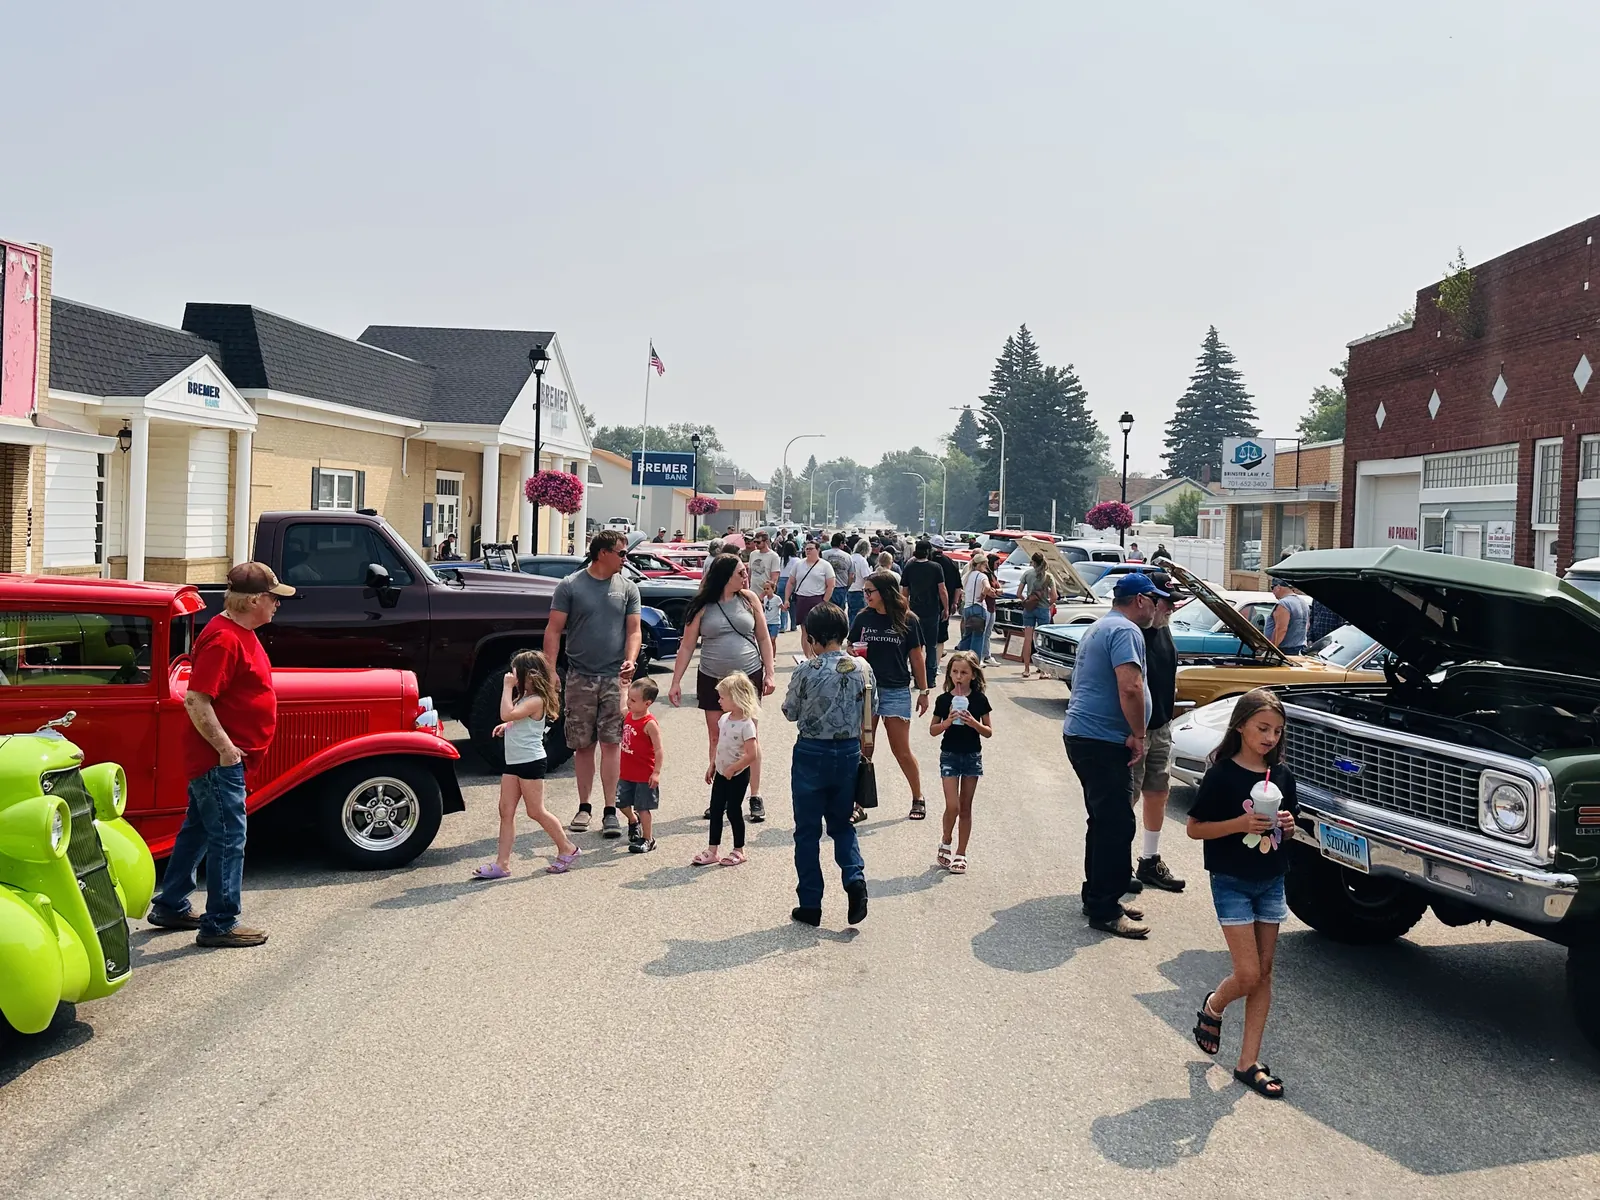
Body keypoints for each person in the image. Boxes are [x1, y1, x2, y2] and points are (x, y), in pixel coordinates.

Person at [147, 562, 293, 948]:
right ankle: (221, 922)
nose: (278, 604)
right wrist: (226, 750)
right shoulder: (225, 639)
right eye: (274, 598)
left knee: (197, 830)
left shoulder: (239, 631)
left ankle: (171, 904)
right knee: (230, 837)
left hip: (220, 760)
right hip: (219, 761)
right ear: (255, 600)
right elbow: (196, 698)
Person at [1186, 690, 1299, 1100]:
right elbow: (1195, 828)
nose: (1270, 737)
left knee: (1264, 973)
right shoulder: (1222, 775)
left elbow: (1290, 827)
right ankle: (1214, 1007)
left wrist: (1286, 825)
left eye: (1277, 731)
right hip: (1232, 881)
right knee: (1248, 973)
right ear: (1240, 726)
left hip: (1272, 878)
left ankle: (1248, 1061)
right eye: (1262, 728)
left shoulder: (1281, 775)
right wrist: (1239, 823)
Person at [1063, 571, 1166, 939]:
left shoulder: (1101, 626)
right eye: (1154, 600)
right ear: (1140, 600)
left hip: (1086, 735)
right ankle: (1105, 907)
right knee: (1115, 824)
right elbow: (1131, 687)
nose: (1157, 607)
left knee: (1104, 820)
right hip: (1102, 739)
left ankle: (1098, 896)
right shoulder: (1125, 631)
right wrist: (1138, 734)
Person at [544, 529, 642, 839]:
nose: (625, 559)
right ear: (602, 553)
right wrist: (550, 671)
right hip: (580, 677)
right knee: (582, 745)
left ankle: (610, 810)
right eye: (621, 553)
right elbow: (553, 630)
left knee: (612, 743)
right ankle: (584, 806)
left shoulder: (627, 588)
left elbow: (634, 631)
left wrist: (631, 658)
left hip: (614, 678)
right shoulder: (570, 586)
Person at [782, 603, 872, 928]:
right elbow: (869, 711)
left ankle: (810, 903)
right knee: (842, 825)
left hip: (811, 752)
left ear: (812, 637)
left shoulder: (807, 669)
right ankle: (854, 878)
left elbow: (790, 711)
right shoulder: (863, 668)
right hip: (848, 752)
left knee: (807, 832)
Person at [668, 553, 776, 822]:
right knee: (718, 737)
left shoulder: (749, 599)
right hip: (713, 679)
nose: (746, 576)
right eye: (740, 572)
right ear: (725, 575)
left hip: (746, 677)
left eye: (745, 571)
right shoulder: (703, 606)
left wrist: (770, 673)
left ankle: (754, 795)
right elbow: (687, 646)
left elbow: (763, 637)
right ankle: (722, 796)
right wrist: (676, 681)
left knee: (749, 737)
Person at [473, 651, 580, 878]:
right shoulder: (523, 698)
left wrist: (506, 688)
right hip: (513, 762)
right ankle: (502, 864)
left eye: (515, 673)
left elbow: (506, 714)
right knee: (506, 811)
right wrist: (508, 727)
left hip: (531, 762)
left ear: (528, 676)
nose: (511, 676)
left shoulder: (535, 700)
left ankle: (567, 847)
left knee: (535, 811)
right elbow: (515, 720)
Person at [848, 571, 931, 823]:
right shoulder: (863, 618)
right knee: (864, 748)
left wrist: (924, 691)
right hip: (867, 688)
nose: (865, 595)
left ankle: (918, 797)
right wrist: (851, 651)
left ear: (884, 593)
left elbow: (917, 657)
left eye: (869, 591)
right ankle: (858, 804)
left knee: (900, 749)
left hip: (895, 690)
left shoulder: (908, 620)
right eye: (864, 591)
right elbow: (850, 646)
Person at [1133, 572, 1186, 894]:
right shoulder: (1132, 633)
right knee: (1126, 798)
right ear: (1149, 601)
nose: (1171, 608)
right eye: (1167, 602)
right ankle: (1116, 862)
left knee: (1158, 792)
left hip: (1161, 727)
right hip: (1134, 732)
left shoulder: (1165, 632)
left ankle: (1149, 860)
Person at [929, 650, 993, 875]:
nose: (959, 676)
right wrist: (947, 721)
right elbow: (933, 730)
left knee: (965, 807)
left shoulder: (979, 700)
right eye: (955, 672)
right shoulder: (944, 699)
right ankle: (946, 839)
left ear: (973, 675)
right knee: (952, 805)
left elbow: (988, 732)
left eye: (964, 672)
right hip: (949, 755)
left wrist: (973, 722)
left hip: (972, 756)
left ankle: (961, 853)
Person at [694, 673, 761, 867]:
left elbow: (752, 754)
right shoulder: (724, 719)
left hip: (738, 775)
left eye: (723, 697)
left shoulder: (747, 725)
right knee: (716, 810)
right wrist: (712, 765)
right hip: (722, 772)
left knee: (733, 811)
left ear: (737, 698)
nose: (719, 701)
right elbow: (720, 745)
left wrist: (734, 768)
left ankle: (739, 849)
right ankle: (712, 849)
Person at [619, 677, 664, 854]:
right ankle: (632, 820)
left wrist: (656, 772)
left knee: (643, 808)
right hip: (626, 772)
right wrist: (623, 690)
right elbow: (622, 707)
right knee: (622, 803)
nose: (629, 703)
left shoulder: (650, 724)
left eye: (633, 700)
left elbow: (659, 750)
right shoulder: (629, 714)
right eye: (629, 698)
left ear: (647, 703)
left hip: (644, 775)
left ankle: (648, 838)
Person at [901, 540, 948, 673]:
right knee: (931, 646)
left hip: (914, 611)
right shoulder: (936, 567)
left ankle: (916, 673)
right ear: (928, 552)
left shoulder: (909, 567)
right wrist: (946, 608)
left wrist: (905, 609)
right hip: (932, 610)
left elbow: (905, 592)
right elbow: (942, 590)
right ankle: (931, 676)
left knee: (915, 644)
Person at [784, 539, 837, 645]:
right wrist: (786, 599)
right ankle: (808, 656)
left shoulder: (825, 565)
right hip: (802, 599)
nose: (808, 551)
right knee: (805, 630)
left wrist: (824, 602)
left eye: (811, 549)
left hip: (818, 599)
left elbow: (831, 585)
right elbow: (790, 582)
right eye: (806, 549)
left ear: (818, 550)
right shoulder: (798, 564)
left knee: (818, 629)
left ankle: (817, 653)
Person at [1016, 552, 1059, 680]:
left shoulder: (1027, 574)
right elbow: (1054, 596)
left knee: (1028, 639)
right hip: (1042, 609)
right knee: (1043, 640)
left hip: (1030, 609)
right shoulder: (1049, 577)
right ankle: (1042, 671)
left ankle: (1026, 669)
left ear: (1033, 562)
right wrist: (1048, 604)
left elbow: (1018, 593)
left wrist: (1026, 601)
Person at [931, 539, 964, 659]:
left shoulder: (925, 562)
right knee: (941, 636)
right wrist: (954, 603)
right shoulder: (951, 563)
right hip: (945, 605)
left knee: (924, 636)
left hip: (925, 604)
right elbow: (957, 587)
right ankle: (937, 663)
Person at [956, 555, 992, 656]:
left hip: (967, 607)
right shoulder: (982, 576)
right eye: (985, 564)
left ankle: (962, 657)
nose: (986, 567)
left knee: (967, 635)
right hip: (978, 607)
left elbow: (960, 589)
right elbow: (987, 587)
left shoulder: (967, 576)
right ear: (980, 564)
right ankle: (975, 660)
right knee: (978, 636)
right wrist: (983, 594)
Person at [1268, 578, 1311, 656]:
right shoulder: (1303, 602)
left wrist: (1272, 649)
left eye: (1272, 587)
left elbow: (1281, 629)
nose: (1272, 591)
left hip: (1285, 650)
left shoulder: (1284, 603)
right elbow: (1307, 626)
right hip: (1299, 648)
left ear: (1278, 587)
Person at [981, 553, 1002, 666]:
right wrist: (996, 592)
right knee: (982, 632)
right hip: (985, 606)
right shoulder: (984, 575)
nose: (998, 565)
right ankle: (981, 655)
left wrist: (997, 591)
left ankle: (987, 655)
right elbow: (991, 592)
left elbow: (999, 589)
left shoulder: (993, 575)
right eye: (997, 563)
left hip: (992, 607)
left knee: (988, 633)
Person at [747, 530, 782, 598]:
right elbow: (749, 574)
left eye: (758, 542)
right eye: (755, 542)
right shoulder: (753, 554)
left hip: (765, 595)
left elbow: (774, 579)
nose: (756, 544)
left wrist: (763, 596)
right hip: (752, 593)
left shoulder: (773, 556)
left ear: (766, 542)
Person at [824, 532, 854, 609]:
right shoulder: (848, 557)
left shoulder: (823, 555)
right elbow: (851, 576)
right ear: (841, 543)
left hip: (825, 588)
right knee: (839, 614)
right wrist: (847, 587)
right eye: (844, 543)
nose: (845, 545)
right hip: (841, 589)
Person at [846, 537, 872, 623]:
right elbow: (867, 577)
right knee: (859, 615)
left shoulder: (849, 558)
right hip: (859, 591)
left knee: (851, 613)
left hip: (849, 590)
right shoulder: (862, 560)